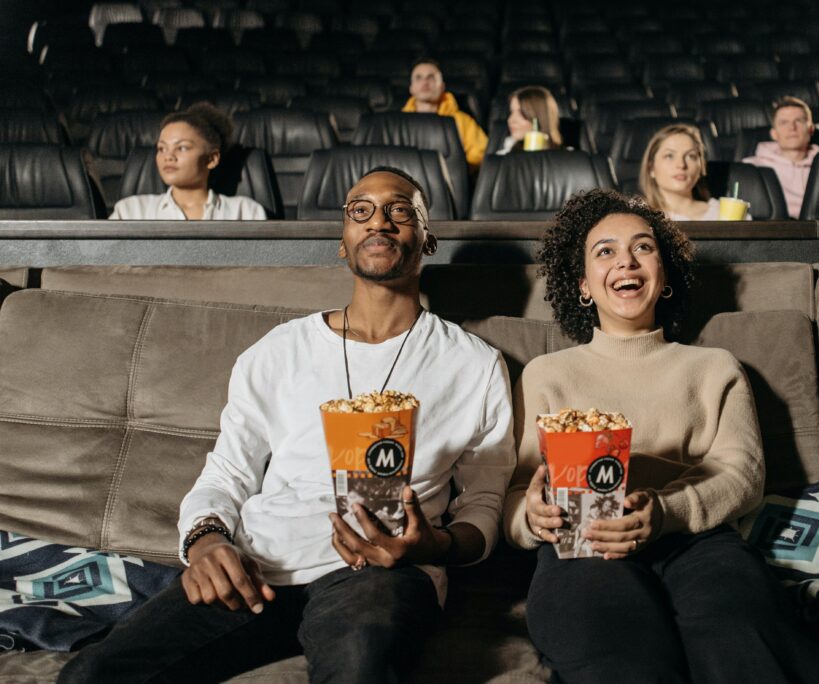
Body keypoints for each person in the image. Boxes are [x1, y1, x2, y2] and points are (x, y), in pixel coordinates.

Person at [60, 168, 515, 683]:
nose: (379, 222)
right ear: (343, 243)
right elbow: (227, 472)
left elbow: (484, 505)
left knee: (359, 669)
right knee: (91, 674)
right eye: (360, 210)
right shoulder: (279, 350)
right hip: (258, 564)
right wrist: (207, 541)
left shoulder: (473, 365)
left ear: (426, 237)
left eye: (400, 209)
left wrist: (434, 545)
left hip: (380, 572)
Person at [503, 189, 819, 684]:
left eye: (643, 247)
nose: (626, 261)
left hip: (697, 542)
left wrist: (666, 513)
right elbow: (513, 494)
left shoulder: (714, 367)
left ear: (664, 273)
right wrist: (531, 516)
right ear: (583, 284)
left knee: (742, 644)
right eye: (604, 251)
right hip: (583, 545)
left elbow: (743, 475)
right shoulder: (547, 375)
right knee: (622, 660)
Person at [109, 102, 267, 220]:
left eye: (182, 148)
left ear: (212, 159)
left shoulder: (246, 212)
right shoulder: (131, 211)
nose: (168, 156)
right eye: (161, 149)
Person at [639, 123, 751, 220]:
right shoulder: (639, 217)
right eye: (669, 156)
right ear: (651, 168)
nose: (681, 165)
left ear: (700, 167)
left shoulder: (725, 214)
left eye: (690, 156)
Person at [742, 96, 819, 219]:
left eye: (798, 121)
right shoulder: (751, 168)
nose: (792, 128)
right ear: (774, 133)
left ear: (810, 129)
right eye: (784, 122)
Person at [402, 58, 488, 169]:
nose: (425, 82)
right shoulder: (398, 123)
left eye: (431, 77)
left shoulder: (462, 121)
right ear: (411, 88)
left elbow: (481, 154)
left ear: (442, 86)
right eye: (418, 78)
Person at [496, 85, 563, 155]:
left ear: (540, 117)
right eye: (511, 112)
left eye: (521, 113)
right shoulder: (502, 158)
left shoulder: (568, 159)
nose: (511, 120)